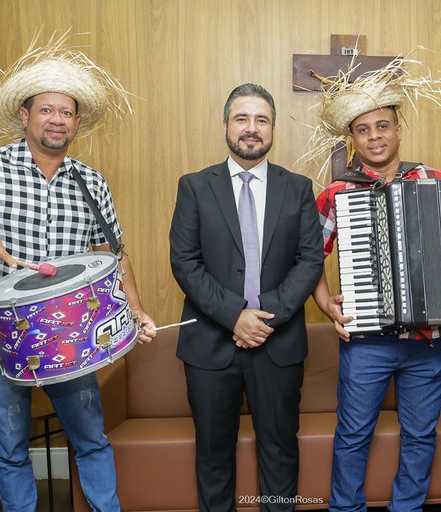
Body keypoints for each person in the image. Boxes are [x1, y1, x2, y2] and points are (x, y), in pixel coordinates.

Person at [0, 40, 157, 512]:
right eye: (47, 109)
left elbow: (114, 255)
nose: (57, 120)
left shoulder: (91, 181)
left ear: (77, 122)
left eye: (67, 112)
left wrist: (136, 310)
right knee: (9, 446)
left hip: (69, 334)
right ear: (25, 115)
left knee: (91, 439)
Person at [306, 56, 441, 512]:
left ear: (398, 130)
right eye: (363, 130)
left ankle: (408, 508)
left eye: (383, 126)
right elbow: (308, 262)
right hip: (367, 342)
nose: (375, 136)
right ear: (352, 138)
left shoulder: (439, 183)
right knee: (352, 436)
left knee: (420, 437)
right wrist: (328, 305)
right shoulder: (337, 193)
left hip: (430, 341)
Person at [169, 83, 323, 511]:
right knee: (214, 455)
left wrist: (262, 318)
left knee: (279, 450)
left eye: (261, 120)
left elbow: (310, 262)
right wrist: (235, 315)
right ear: (225, 125)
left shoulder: (297, 188)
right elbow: (185, 262)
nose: (251, 129)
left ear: (273, 129)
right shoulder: (195, 187)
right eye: (242, 119)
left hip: (278, 343)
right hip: (210, 345)